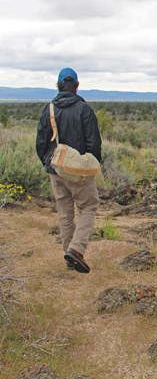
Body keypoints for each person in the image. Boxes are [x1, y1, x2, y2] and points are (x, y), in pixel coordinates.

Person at [36, 67, 102, 273]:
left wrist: (49, 163)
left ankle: (70, 257)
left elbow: (40, 143)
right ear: (77, 86)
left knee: (65, 214)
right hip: (79, 171)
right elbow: (94, 143)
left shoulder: (49, 109)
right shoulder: (84, 110)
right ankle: (76, 249)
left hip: (56, 168)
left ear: (58, 85)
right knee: (89, 207)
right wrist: (91, 164)